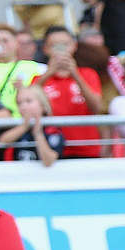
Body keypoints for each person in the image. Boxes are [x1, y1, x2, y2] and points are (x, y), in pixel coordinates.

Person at [35, 26, 105, 159]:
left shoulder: (88, 74)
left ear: (74, 46)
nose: (60, 50)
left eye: (65, 45)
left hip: (86, 148)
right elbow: (26, 101)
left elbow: (97, 107)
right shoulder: (38, 78)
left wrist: (75, 75)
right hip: (51, 149)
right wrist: (49, 73)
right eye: (54, 46)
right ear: (45, 49)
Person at [0, 24, 46, 116]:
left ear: (16, 43)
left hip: (24, 122)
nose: (0, 45)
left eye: (5, 41)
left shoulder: (35, 67)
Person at [0, 85, 64, 165]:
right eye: (19, 103)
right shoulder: (18, 126)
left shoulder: (52, 129)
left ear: (43, 105)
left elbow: (48, 161)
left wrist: (38, 133)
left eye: (28, 101)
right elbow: (2, 142)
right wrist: (25, 126)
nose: (23, 107)